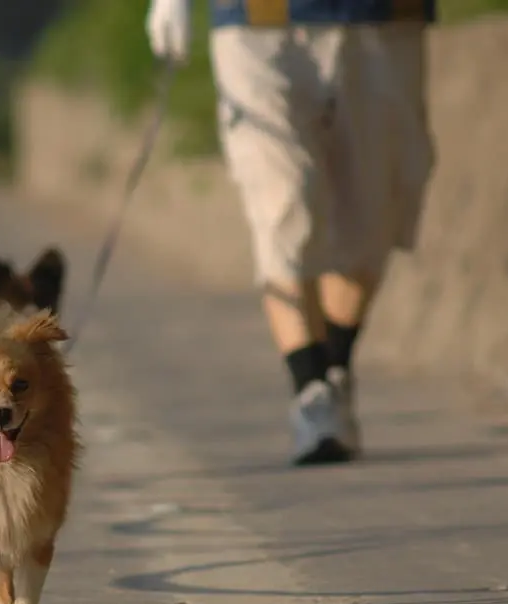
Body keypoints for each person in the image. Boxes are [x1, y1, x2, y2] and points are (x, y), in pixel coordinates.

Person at [145, 0, 436, 465]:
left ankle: (334, 368)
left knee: (372, 216)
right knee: (282, 199)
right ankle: (311, 392)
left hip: (383, 19)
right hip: (256, 22)